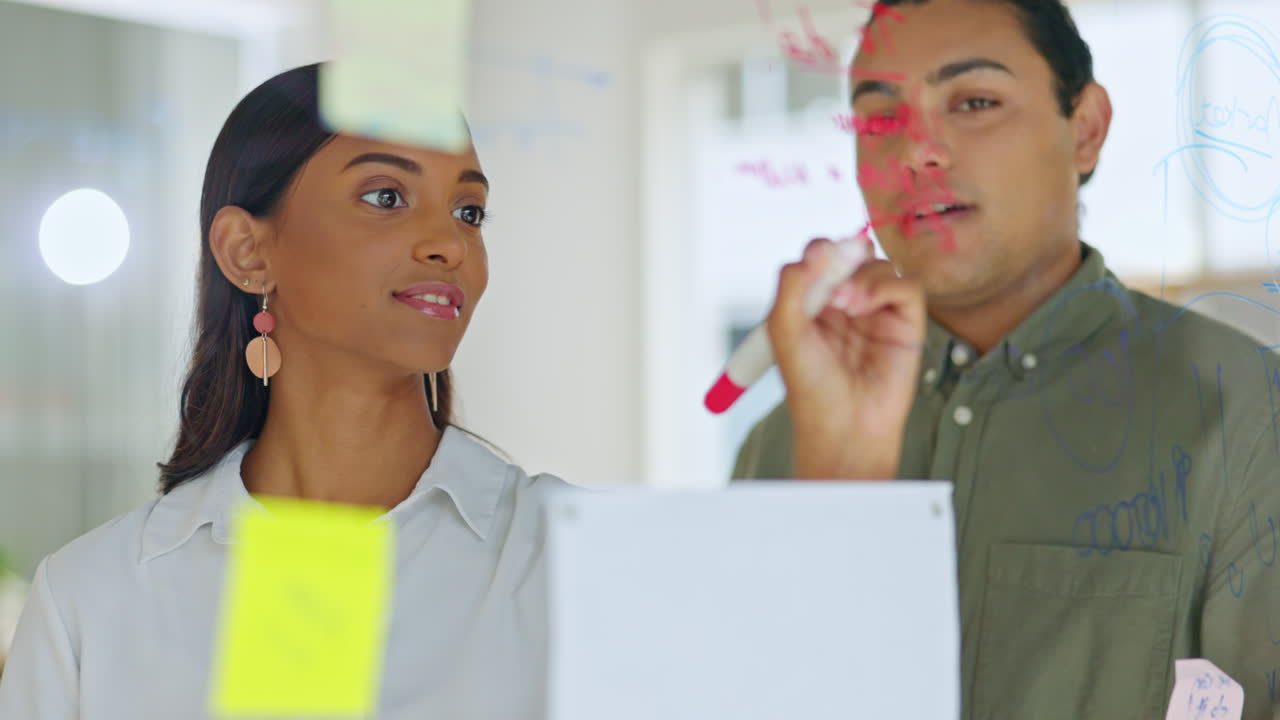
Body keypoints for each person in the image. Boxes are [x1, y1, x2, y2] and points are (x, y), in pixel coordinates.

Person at [0, 62, 925, 718]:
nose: (450, 241)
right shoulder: (93, 602)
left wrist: (849, 451)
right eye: (386, 197)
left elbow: (829, 692)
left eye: (470, 209)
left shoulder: (577, 562)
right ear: (250, 251)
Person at [733, 1, 1280, 718]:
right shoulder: (782, 448)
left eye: (975, 101)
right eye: (879, 117)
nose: (916, 153)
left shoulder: (1245, 415)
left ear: (1084, 129)